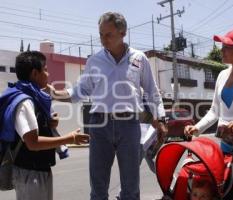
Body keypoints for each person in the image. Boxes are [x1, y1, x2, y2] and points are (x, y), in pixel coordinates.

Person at [46, 12, 167, 200]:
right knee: (98, 186)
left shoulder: (139, 58)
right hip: (99, 125)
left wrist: (161, 118)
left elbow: (152, 91)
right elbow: (80, 91)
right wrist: (55, 93)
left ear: (123, 33)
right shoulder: (94, 61)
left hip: (129, 125)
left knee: (130, 187)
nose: (103, 39)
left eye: (108, 34)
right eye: (101, 34)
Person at [184, 29, 233, 200]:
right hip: (227, 149)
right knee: (225, 195)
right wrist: (197, 128)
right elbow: (215, 111)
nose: (221, 51)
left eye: (226, 47)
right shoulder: (222, 74)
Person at [0, 51, 89, 200]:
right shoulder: (25, 101)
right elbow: (33, 143)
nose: (48, 74)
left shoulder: (34, 97)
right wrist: (69, 139)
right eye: (46, 70)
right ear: (35, 73)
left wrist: (47, 123)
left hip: (37, 169)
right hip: (30, 172)